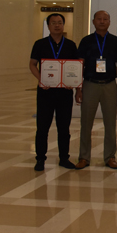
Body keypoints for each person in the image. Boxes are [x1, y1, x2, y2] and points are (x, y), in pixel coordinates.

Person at [29, 13, 79, 171]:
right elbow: (32, 64)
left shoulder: (70, 45)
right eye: (53, 23)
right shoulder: (40, 44)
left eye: (59, 23)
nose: (57, 25)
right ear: (48, 26)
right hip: (46, 92)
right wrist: (41, 79)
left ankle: (64, 158)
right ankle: (40, 159)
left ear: (63, 25)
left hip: (64, 93)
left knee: (64, 127)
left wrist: (73, 83)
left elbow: (76, 67)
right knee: (42, 127)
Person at [75, 10, 117, 170]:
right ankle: (84, 157)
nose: (102, 21)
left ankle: (110, 157)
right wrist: (78, 88)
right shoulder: (86, 41)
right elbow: (80, 65)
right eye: (99, 19)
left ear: (109, 22)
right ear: (93, 21)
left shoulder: (115, 41)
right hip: (90, 84)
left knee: (110, 123)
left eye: (105, 19)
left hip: (110, 84)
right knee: (86, 123)